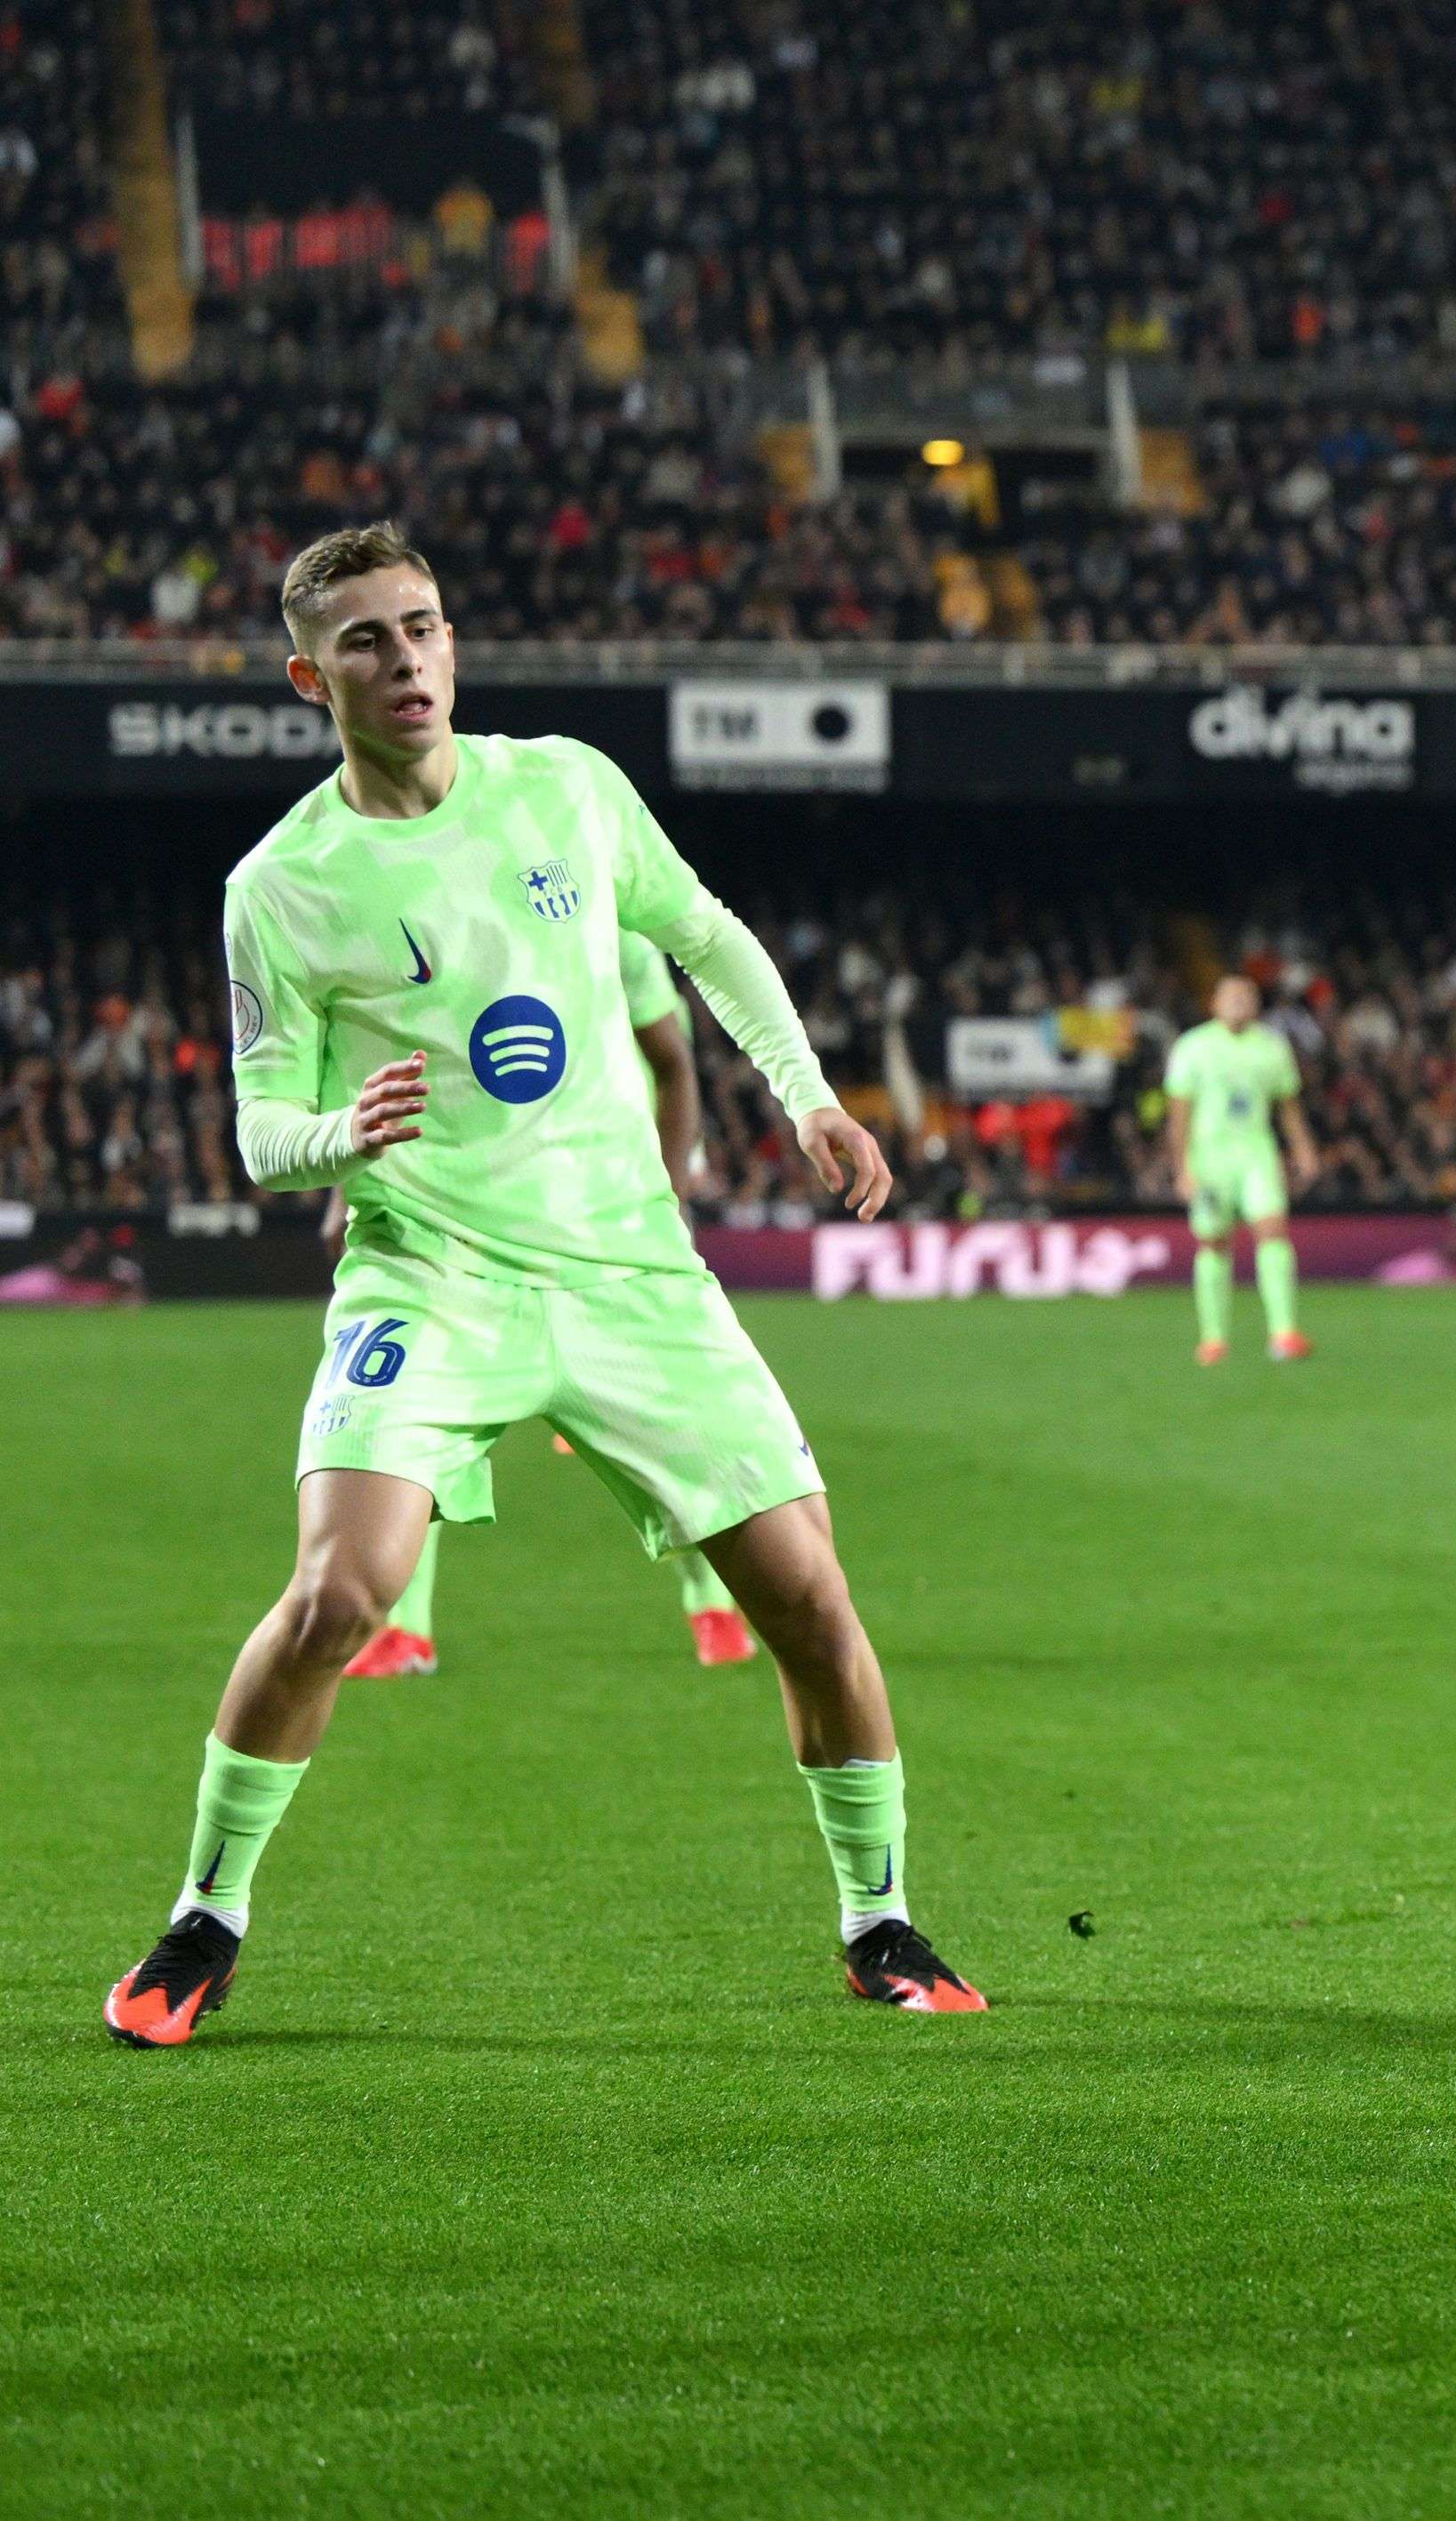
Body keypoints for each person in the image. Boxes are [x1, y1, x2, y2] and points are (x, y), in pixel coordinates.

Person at [107, 521, 977, 2048]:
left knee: (810, 1598)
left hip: (631, 1265)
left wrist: (807, 1095)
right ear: (313, 677)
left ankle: (878, 1917)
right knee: (339, 1593)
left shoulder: (567, 785)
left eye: (425, 625)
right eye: (368, 639)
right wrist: (336, 1130)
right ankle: (205, 1915)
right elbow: (256, 1133)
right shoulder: (284, 883)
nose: (408, 660)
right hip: (430, 1271)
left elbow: (704, 935)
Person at [339, 931, 756, 1673]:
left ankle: (713, 1604)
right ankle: (405, 1629)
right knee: (418, 1427)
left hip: (607, 1227)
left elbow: (674, 1067)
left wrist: (666, 1197)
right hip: (481, 1224)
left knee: (673, 1444)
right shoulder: (455, 919)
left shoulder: (614, 926)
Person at [1162, 973, 1320, 1364]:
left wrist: (1303, 1150)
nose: (1239, 1001)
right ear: (1213, 1003)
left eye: (1246, 995)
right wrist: (1182, 1167)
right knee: (1215, 1241)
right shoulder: (1193, 1047)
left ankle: (1284, 1333)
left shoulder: (1271, 1047)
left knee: (1272, 1229)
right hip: (1211, 1156)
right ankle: (1213, 1338)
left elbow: (1288, 1106)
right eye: (1230, 995)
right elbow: (1180, 1114)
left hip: (1256, 1152)